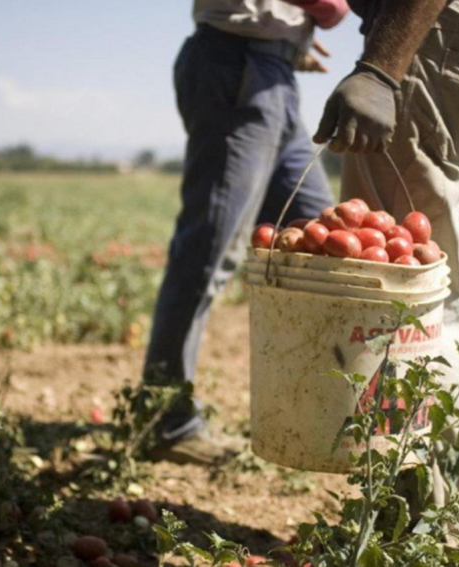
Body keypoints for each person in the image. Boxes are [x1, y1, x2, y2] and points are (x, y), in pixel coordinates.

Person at [313, 0, 459, 565]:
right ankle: (435, 527)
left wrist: (379, 68)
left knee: (397, 310)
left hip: (440, 40)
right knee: (436, 308)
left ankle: (453, 539)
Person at [144, 0, 351, 465]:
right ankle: (165, 419)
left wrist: (290, 33)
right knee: (209, 248)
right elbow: (334, 7)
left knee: (324, 239)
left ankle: (316, 410)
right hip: (237, 65)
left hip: (273, 70)